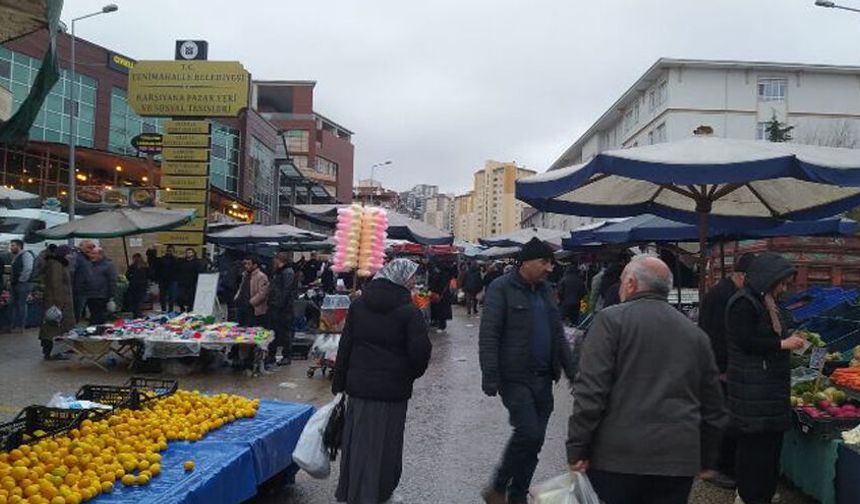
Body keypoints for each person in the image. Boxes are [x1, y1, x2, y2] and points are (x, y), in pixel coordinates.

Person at [566, 256, 728, 504]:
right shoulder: (695, 335)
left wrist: (577, 448)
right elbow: (714, 405)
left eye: (622, 282)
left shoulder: (611, 321)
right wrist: (707, 458)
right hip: (677, 462)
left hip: (618, 459)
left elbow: (591, 393)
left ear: (630, 283)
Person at [479, 238, 574, 504]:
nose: (549, 268)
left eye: (550, 263)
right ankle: (498, 485)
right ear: (526, 262)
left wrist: (573, 372)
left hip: (544, 379)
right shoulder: (501, 288)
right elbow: (489, 334)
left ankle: (518, 494)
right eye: (544, 262)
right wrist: (490, 375)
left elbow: (558, 334)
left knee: (535, 443)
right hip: (515, 378)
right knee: (528, 432)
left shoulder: (546, 291)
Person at [332, 258, 432, 504]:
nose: (413, 283)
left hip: (359, 390)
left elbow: (345, 347)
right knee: (386, 445)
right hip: (391, 393)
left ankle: (354, 492)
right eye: (411, 278)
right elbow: (420, 354)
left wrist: (339, 383)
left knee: (358, 444)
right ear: (399, 279)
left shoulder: (358, 305)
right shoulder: (409, 312)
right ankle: (378, 493)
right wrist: (407, 375)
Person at [725, 253, 806, 504]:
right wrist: (782, 343)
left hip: (766, 390)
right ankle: (751, 496)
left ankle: (762, 493)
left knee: (769, 450)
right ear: (767, 277)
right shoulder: (743, 302)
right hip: (754, 391)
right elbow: (746, 341)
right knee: (755, 451)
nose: (784, 288)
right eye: (781, 283)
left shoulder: (766, 300)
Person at [697, 252, 757, 489]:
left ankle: (722, 465)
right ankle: (718, 468)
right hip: (719, 368)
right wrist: (723, 368)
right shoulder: (722, 296)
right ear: (742, 276)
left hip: (720, 367)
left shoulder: (727, 292)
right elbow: (717, 335)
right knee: (722, 420)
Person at [38, 245, 75, 359]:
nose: (71, 256)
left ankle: (53, 351)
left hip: (58, 301)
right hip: (57, 302)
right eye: (69, 253)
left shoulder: (58, 264)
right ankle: (53, 352)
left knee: (53, 327)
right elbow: (56, 284)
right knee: (54, 327)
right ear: (63, 254)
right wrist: (59, 304)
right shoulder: (57, 265)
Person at [267, 252, 296, 366]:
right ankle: (272, 355)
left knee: (284, 332)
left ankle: (286, 356)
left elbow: (286, 290)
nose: (273, 262)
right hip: (277, 306)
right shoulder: (280, 272)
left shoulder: (287, 272)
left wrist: (279, 304)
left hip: (283, 308)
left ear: (279, 260)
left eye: (275, 260)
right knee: (275, 331)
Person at [83, 248, 117, 325]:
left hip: (101, 295)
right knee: (94, 314)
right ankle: (96, 329)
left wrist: (111, 295)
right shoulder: (89, 265)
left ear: (100, 255)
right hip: (90, 294)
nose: (91, 256)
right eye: (91, 254)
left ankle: (97, 330)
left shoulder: (108, 265)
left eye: (94, 254)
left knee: (98, 315)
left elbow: (112, 280)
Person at [234, 256, 269, 327]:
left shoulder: (261, 276)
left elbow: (262, 293)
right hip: (242, 305)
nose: (246, 266)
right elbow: (241, 287)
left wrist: (251, 302)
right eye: (245, 263)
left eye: (249, 264)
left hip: (253, 308)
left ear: (255, 265)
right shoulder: (245, 275)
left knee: (251, 327)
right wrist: (237, 297)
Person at [8, 239, 35, 331]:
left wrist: (21, 280)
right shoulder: (16, 256)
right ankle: (12, 325)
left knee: (21, 304)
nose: (11, 247)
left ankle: (21, 326)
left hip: (23, 284)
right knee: (12, 303)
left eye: (13, 245)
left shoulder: (26, 255)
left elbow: (28, 268)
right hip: (16, 283)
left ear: (19, 246)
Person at [72, 239, 96, 321]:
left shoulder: (89, 259)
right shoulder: (77, 258)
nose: (92, 249)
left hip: (89, 291)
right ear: (82, 248)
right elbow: (72, 272)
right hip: (80, 291)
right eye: (89, 247)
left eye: (93, 247)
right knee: (76, 313)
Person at [429, 262, 453, 331]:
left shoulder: (441, 275)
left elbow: (438, 285)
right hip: (444, 295)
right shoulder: (446, 274)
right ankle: (440, 323)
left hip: (441, 295)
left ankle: (442, 325)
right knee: (442, 310)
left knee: (441, 310)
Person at [178, 248, 203, 312]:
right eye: (187, 252)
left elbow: (199, 271)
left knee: (191, 298)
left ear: (193, 253)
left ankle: (190, 310)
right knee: (180, 297)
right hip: (183, 283)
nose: (188, 254)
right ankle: (182, 309)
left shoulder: (196, 262)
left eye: (190, 252)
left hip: (192, 282)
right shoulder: (182, 262)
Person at [125, 253, 150, 318]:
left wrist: (132, 278)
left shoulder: (132, 266)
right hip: (142, 286)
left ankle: (136, 314)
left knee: (135, 301)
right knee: (139, 301)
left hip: (135, 286)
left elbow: (127, 275)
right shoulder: (145, 266)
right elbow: (150, 275)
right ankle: (138, 314)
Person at [156, 245, 180, 313]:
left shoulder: (176, 259)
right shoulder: (162, 259)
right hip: (163, 280)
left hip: (173, 280)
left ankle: (170, 309)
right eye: (169, 251)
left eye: (171, 251)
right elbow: (158, 269)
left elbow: (178, 270)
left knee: (171, 296)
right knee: (162, 296)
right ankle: (163, 309)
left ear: (174, 251)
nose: (170, 252)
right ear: (166, 251)